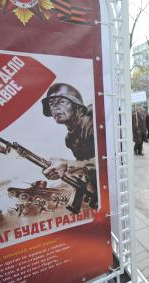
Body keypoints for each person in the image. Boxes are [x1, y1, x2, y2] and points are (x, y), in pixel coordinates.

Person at [41, 83, 97, 211]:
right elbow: (85, 165)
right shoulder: (70, 139)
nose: (55, 107)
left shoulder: (92, 123)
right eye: (51, 104)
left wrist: (69, 165)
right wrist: (62, 171)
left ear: (77, 107)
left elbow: (106, 160)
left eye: (61, 102)